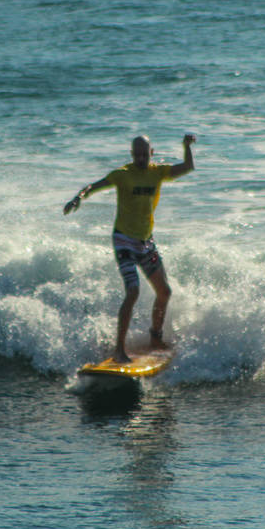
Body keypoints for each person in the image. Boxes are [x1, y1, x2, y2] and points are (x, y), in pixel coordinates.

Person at [64, 134, 196, 363]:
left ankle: (155, 338)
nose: (141, 158)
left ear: (151, 153)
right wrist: (79, 197)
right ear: (132, 154)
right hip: (124, 240)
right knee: (133, 291)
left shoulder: (158, 172)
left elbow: (187, 167)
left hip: (146, 242)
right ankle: (119, 350)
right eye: (137, 155)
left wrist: (186, 147)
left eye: (145, 154)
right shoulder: (122, 175)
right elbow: (93, 186)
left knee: (164, 292)